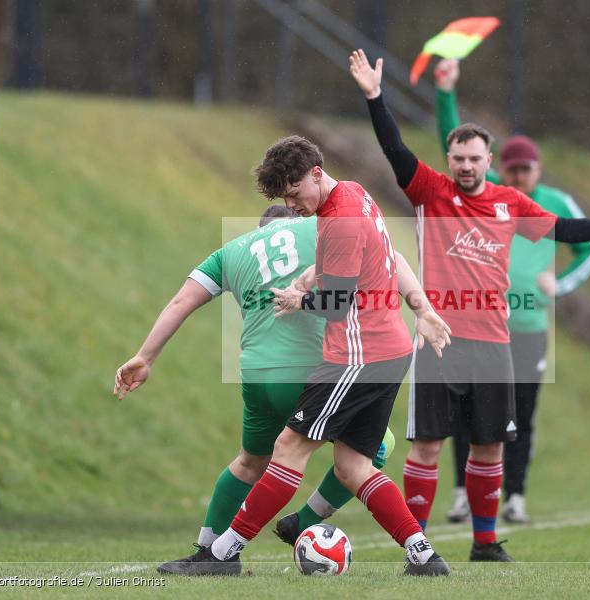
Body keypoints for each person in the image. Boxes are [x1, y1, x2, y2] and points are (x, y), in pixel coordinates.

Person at [348, 49, 590, 562]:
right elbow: (394, 148)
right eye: (459, 158)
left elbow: (565, 230)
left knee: (490, 446)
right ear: (449, 159)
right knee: (427, 446)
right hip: (439, 339)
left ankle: (485, 542)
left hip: (495, 343)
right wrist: (374, 96)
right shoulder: (430, 191)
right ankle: (418, 546)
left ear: (489, 162)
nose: (467, 166)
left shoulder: (510, 203)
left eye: (476, 159)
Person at [179, 135, 453, 576]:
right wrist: (308, 282)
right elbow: (349, 261)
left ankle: (221, 554)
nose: (293, 204)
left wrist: (297, 301)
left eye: (294, 192)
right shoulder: (354, 195)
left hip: (357, 356)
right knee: (353, 466)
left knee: (288, 447)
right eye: (284, 198)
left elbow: (339, 304)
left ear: (316, 174)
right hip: (389, 348)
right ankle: (423, 556)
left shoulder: (339, 217)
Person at [112, 205, 416, 575]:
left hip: (258, 376)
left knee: (249, 461)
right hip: (311, 374)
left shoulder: (231, 250)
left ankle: (208, 549)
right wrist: (422, 306)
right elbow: (390, 257)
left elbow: (182, 301)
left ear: (261, 229)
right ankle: (304, 521)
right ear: (294, 218)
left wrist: (145, 357)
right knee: (376, 448)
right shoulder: (318, 227)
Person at [433, 59, 590, 524]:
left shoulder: (551, 203)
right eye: (510, 169)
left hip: (528, 323)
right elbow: (454, 142)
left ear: (538, 169)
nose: (518, 176)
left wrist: (561, 284)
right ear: (499, 168)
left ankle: (515, 496)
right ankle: (463, 494)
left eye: (525, 169)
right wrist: (446, 92)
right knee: (466, 416)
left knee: (520, 415)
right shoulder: (492, 193)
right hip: (480, 322)